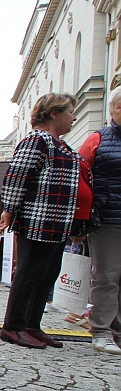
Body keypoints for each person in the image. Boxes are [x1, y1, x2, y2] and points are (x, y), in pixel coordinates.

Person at [0, 93, 82, 349]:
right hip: (37, 219)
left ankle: (32, 325)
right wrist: (9, 209)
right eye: (69, 112)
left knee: (47, 275)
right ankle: (13, 326)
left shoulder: (62, 145)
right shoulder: (38, 140)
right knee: (29, 274)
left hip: (58, 222)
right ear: (54, 114)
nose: (74, 117)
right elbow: (17, 177)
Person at [78, 89, 121, 354]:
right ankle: (102, 331)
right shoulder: (98, 139)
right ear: (113, 110)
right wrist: (81, 219)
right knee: (107, 276)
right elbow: (80, 177)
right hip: (109, 220)